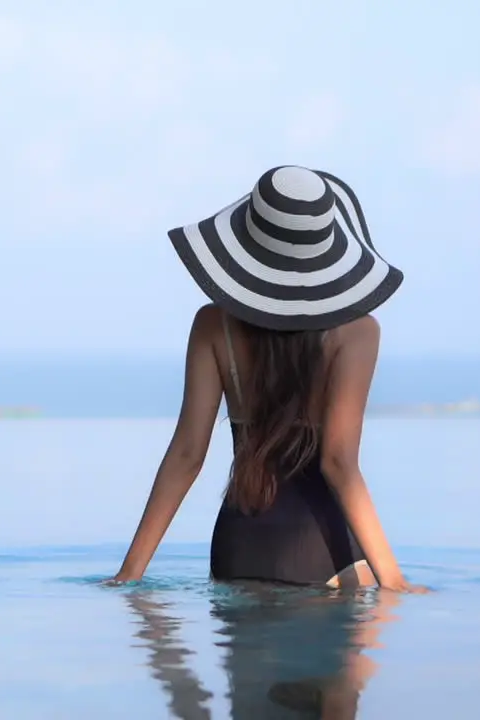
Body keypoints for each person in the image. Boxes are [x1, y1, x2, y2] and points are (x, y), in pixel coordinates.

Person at [111, 165, 426, 594]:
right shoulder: (358, 333)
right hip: (328, 555)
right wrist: (395, 582)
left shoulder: (212, 325)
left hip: (238, 549)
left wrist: (129, 575)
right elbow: (338, 462)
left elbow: (187, 455)